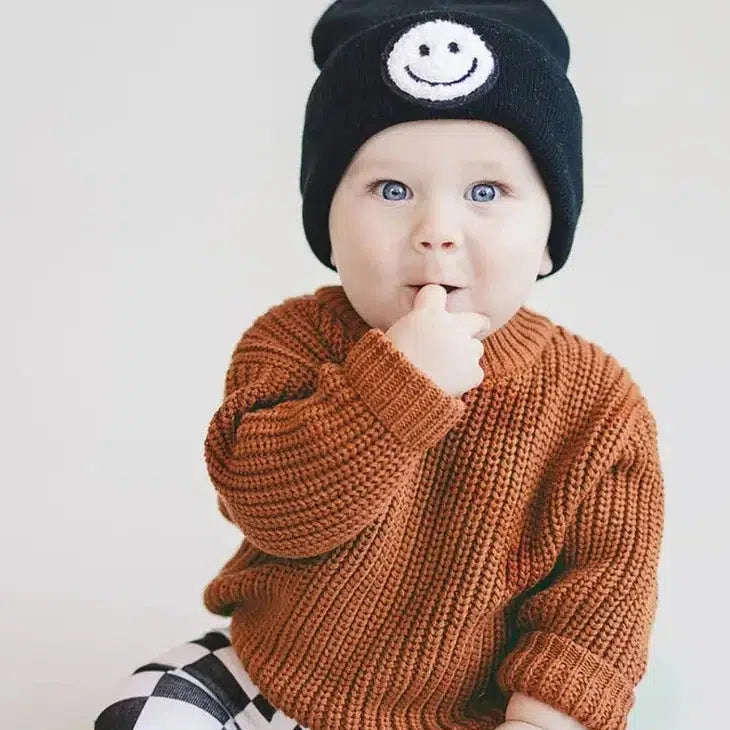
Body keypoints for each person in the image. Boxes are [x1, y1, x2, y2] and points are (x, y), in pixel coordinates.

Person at [94, 2, 665, 729]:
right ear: (326, 229)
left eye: (486, 193)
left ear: (552, 237)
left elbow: (600, 600)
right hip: (274, 672)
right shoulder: (292, 341)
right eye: (391, 191)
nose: (436, 233)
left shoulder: (599, 403)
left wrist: (539, 718)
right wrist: (398, 385)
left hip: (466, 712)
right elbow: (272, 513)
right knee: (142, 714)